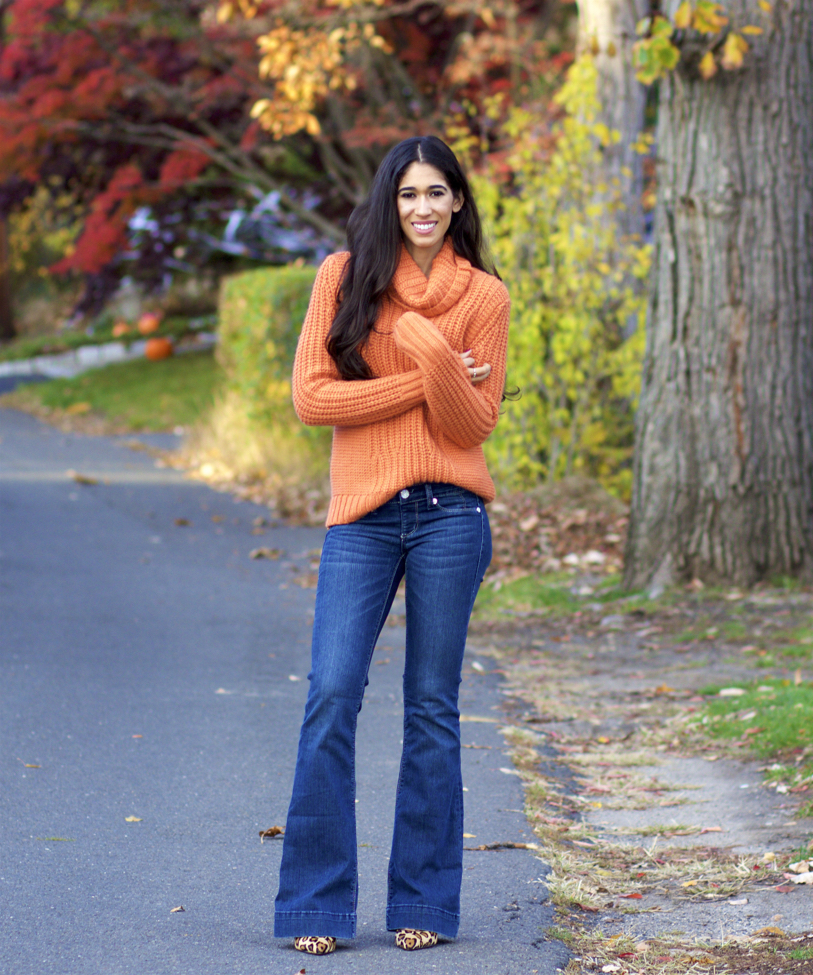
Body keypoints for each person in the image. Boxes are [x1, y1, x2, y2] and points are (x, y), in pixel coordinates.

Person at [274, 135, 510, 956]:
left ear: (457, 204)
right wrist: (430, 361)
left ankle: (423, 903)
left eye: (436, 194)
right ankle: (315, 905)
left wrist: (423, 369)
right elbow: (311, 397)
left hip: (452, 514)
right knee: (333, 692)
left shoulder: (485, 294)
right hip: (363, 514)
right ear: (389, 199)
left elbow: (473, 423)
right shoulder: (343, 277)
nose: (422, 209)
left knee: (432, 710)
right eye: (408, 194)